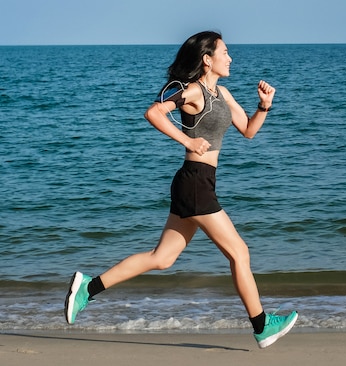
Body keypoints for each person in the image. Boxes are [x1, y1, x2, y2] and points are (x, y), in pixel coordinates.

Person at [64, 31, 297, 349]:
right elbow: (154, 112)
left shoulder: (223, 94)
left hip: (197, 183)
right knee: (239, 252)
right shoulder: (193, 92)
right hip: (195, 182)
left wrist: (264, 106)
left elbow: (249, 131)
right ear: (207, 59)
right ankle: (261, 326)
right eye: (225, 52)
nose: (230, 58)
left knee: (161, 258)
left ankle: (88, 289)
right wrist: (187, 140)